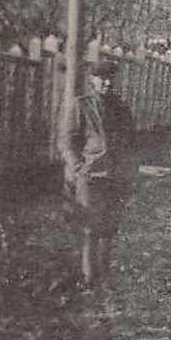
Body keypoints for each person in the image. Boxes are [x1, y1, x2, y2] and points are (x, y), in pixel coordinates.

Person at [63, 58, 136, 286]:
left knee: (109, 227)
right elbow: (66, 141)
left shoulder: (121, 108)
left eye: (110, 78)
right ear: (91, 80)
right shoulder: (81, 105)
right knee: (89, 229)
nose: (106, 82)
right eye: (101, 78)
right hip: (91, 175)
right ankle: (88, 279)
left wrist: (131, 168)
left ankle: (104, 275)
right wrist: (77, 167)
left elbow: (131, 140)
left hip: (117, 175)